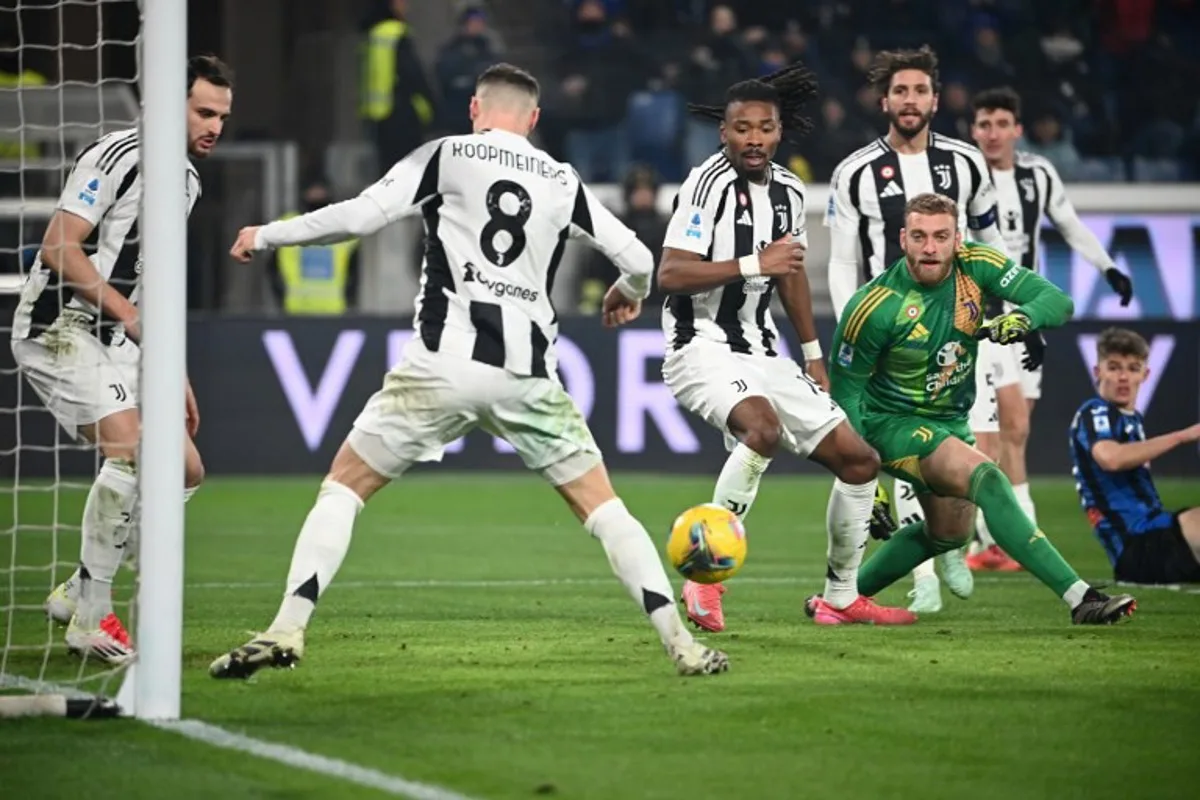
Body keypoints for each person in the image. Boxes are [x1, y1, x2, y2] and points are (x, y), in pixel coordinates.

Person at [210, 63, 728, 680]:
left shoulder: (446, 155)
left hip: (441, 365)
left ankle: (288, 627)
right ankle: (680, 645)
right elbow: (641, 258)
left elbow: (360, 217)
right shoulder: (563, 180)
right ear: (534, 120)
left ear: (476, 110)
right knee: (605, 510)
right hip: (528, 377)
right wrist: (625, 290)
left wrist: (269, 234)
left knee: (344, 487)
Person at [657, 65, 915, 633]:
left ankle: (841, 597)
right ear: (723, 134)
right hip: (697, 346)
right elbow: (671, 273)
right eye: (742, 128)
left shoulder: (790, 191)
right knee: (763, 430)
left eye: (765, 128)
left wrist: (813, 352)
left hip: (761, 350)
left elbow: (792, 273)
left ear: (780, 132)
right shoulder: (706, 186)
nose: (754, 138)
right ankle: (703, 585)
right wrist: (755, 263)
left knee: (859, 461)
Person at [815, 192, 1136, 626]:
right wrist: (860, 469)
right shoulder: (874, 306)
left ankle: (834, 599)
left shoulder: (976, 264)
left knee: (949, 532)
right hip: (891, 424)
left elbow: (1058, 302)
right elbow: (846, 394)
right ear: (903, 238)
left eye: (941, 236)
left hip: (950, 420)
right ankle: (1082, 598)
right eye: (920, 236)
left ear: (957, 238)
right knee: (990, 479)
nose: (930, 247)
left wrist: (1020, 319)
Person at [11, 55, 234, 664]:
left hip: (120, 340)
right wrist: (130, 318)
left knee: (184, 472)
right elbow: (60, 246)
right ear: (170, 105)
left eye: (221, 116)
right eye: (204, 112)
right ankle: (92, 614)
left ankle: (81, 583)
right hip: (59, 328)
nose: (215, 125)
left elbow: (149, 282)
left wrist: (173, 367)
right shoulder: (117, 155)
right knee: (133, 451)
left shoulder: (187, 182)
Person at [824, 45, 1014, 614]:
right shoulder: (854, 172)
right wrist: (855, 331)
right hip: (890, 334)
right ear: (885, 100)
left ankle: (951, 541)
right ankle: (924, 575)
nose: (910, 101)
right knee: (908, 451)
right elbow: (841, 262)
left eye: (920, 91)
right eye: (900, 91)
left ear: (936, 98)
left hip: (957, 329)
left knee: (975, 446)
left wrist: (1004, 303)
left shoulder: (966, 164)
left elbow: (992, 241)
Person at [968, 87, 1134, 571]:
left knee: (1015, 431)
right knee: (992, 434)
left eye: (1002, 123)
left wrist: (1107, 268)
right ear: (973, 130)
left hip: (1027, 316)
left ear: (1017, 129)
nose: (993, 133)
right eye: (984, 124)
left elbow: (1070, 225)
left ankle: (992, 539)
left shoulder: (1038, 174)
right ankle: (1006, 536)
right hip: (983, 318)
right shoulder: (963, 175)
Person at [1069, 327, 1200, 585]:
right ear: (1098, 372)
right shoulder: (1096, 412)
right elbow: (1111, 458)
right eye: (1114, 367)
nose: (1123, 377)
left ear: (1145, 374)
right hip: (1137, 545)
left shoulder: (1133, 420)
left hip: (1156, 534)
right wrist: (1182, 436)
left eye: (1132, 368)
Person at [267, 178, 361, 315]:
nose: (317, 195)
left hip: (334, 310)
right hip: (295, 310)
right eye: (313, 191)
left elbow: (354, 271)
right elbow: (272, 267)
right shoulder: (288, 223)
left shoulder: (342, 227)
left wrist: (350, 298)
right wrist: (280, 296)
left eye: (320, 191)